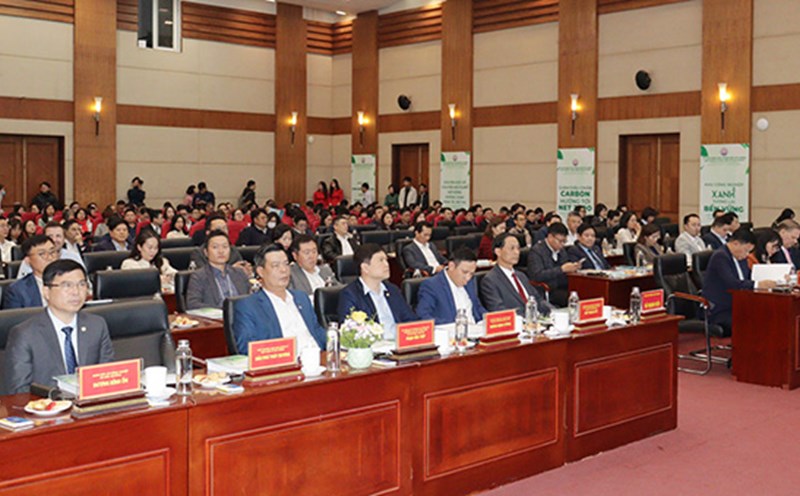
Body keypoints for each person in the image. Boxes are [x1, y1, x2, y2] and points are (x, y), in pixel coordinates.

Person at [4, 260, 114, 394]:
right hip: (47, 410)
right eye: (66, 285)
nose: (76, 292)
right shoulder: (25, 334)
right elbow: (19, 390)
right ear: (47, 292)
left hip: (90, 407)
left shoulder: (96, 325)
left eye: (81, 284)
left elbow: (108, 376)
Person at [232, 244, 326, 355]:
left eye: (286, 264)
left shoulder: (301, 297)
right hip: (286, 364)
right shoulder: (248, 306)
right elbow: (247, 348)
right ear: (261, 271)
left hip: (318, 359)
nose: (284, 270)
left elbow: (318, 332)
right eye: (276, 266)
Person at [337, 244, 417, 340]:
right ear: (365, 268)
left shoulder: (393, 290)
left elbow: (411, 321)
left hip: (400, 347)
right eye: (380, 261)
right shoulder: (350, 294)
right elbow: (350, 332)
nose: (387, 264)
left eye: (386, 260)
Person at [704, 228, 777, 332]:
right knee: (752, 321)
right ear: (736, 243)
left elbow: (748, 278)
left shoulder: (740, 258)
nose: (747, 254)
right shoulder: (720, 257)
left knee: (769, 314)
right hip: (720, 308)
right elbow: (732, 284)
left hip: (739, 304)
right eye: (746, 250)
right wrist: (758, 284)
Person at [480, 233, 552, 315]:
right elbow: (498, 310)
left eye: (518, 248)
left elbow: (538, 299)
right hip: (517, 323)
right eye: (512, 248)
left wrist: (553, 311)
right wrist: (530, 316)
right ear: (498, 251)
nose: (517, 252)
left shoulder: (521, 276)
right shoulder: (490, 280)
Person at [416, 247, 486, 325]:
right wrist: (456, 325)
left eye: (471, 274)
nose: (468, 278)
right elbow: (423, 316)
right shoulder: (432, 285)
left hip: (476, 331)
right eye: (465, 272)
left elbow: (477, 307)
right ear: (451, 266)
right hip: (452, 333)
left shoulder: (471, 282)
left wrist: (488, 319)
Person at [186, 230, 251, 310]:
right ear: (206, 252)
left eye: (225, 247)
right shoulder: (199, 276)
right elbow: (193, 304)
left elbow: (250, 298)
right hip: (216, 320)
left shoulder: (239, 273)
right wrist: (222, 311)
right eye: (215, 247)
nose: (221, 251)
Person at [527, 223, 580, 307]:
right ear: (550, 237)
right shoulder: (537, 251)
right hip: (547, 289)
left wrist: (572, 267)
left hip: (562, 285)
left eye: (564, 241)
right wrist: (561, 269)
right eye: (560, 241)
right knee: (572, 299)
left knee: (583, 293)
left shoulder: (561, 251)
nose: (562, 244)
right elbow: (537, 275)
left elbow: (565, 266)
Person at [2, 235, 58, 309]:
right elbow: (16, 320)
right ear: (28, 260)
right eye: (42, 254)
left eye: (52, 252)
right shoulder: (17, 291)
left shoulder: (72, 281)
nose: (50, 257)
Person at [17, 222, 85, 279]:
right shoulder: (32, 259)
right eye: (50, 236)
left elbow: (86, 283)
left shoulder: (73, 256)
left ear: (64, 239)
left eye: (58, 236)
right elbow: (23, 287)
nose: (54, 240)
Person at [288, 234, 337, 298]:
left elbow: (339, 289)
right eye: (307, 253)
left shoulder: (325, 270)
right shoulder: (291, 275)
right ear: (295, 255)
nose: (311, 256)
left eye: (314, 251)